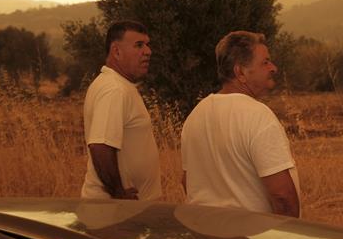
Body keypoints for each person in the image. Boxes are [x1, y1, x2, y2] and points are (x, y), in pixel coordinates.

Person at [181, 30, 300, 217]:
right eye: (265, 62)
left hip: (204, 236)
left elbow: (188, 182)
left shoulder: (196, 115)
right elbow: (282, 196)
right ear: (241, 72)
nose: (273, 68)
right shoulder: (257, 115)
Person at [81, 20, 161, 200]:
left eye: (148, 45)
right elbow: (100, 145)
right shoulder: (114, 89)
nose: (148, 51)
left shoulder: (119, 85)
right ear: (116, 51)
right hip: (114, 214)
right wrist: (118, 193)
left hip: (124, 213)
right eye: (139, 45)